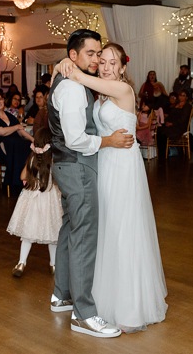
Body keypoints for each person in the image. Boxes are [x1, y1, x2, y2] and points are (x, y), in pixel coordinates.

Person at [55, 41, 167, 333]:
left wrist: (63, 65)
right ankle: (98, 299)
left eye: (112, 62)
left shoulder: (123, 90)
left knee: (120, 229)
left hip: (122, 167)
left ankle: (126, 304)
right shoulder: (101, 94)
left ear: (123, 67)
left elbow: (77, 75)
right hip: (103, 163)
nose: (105, 66)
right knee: (102, 230)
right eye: (102, 61)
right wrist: (62, 66)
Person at [47, 29, 134, 339]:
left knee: (71, 228)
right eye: (91, 54)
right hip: (77, 166)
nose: (97, 59)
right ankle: (84, 314)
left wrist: (62, 64)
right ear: (74, 56)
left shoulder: (72, 80)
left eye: (100, 54)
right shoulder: (72, 88)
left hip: (67, 165)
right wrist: (108, 140)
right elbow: (76, 139)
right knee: (84, 235)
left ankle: (62, 295)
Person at [6, 127, 63, 277]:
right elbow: (58, 181)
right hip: (50, 198)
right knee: (53, 233)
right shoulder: (53, 160)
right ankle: (54, 264)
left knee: (28, 233)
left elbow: (22, 176)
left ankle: (21, 263)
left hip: (31, 199)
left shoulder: (32, 158)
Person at [0, 87, 33, 193]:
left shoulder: (9, 115)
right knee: (13, 142)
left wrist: (33, 139)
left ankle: (25, 179)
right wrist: (16, 127)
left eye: (0, 99)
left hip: (12, 147)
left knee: (26, 144)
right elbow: (2, 132)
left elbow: (21, 130)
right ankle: (14, 184)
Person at [156, 91, 192, 159]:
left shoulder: (187, 106)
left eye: (183, 95)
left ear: (186, 97)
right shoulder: (176, 104)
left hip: (180, 126)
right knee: (159, 130)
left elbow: (183, 119)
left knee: (164, 133)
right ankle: (162, 153)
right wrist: (166, 122)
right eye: (180, 95)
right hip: (171, 125)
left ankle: (164, 154)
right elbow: (170, 115)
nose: (181, 97)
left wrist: (172, 123)